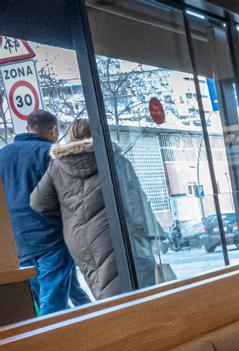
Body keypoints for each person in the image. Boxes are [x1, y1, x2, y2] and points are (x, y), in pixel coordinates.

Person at [30, 118, 158, 299]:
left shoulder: (57, 166)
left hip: (80, 239)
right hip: (114, 231)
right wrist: (150, 234)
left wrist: (69, 211)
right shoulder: (115, 160)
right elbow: (136, 203)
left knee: (103, 288)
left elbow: (37, 202)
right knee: (132, 291)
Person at [0, 109, 90, 314]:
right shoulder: (51, 154)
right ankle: (55, 340)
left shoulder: (3, 155)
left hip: (17, 241)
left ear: (28, 128)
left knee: (52, 292)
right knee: (53, 304)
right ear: (54, 130)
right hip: (50, 236)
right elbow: (68, 196)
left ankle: (89, 315)